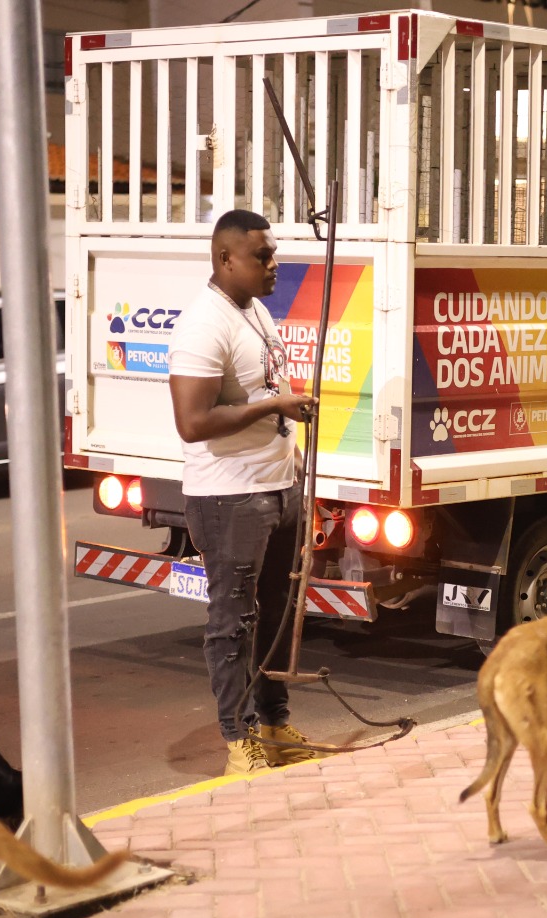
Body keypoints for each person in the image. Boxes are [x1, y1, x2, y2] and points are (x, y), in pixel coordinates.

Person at [168, 209, 321, 776]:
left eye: (273, 253)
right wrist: (273, 407)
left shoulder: (253, 310)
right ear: (226, 258)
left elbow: (265, 387)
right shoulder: (203, 325)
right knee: (234, 622)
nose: (273, 265)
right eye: (263, 256)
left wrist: (291, 439)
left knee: (279, 612)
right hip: (229, 498)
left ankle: (275, 725)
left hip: (278, 487)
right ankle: (239, 740)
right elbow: (193, 421)